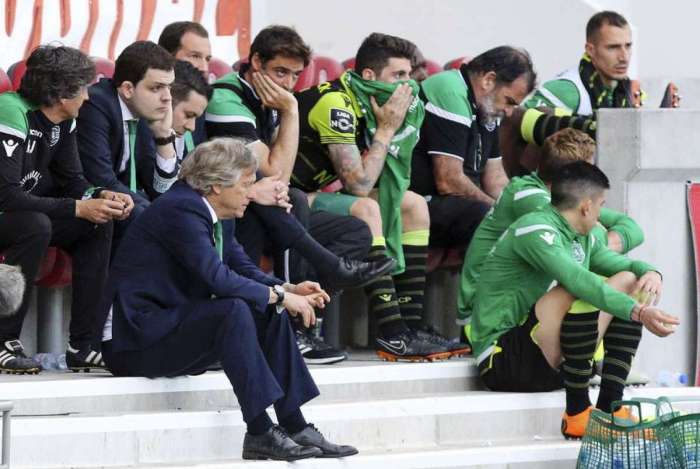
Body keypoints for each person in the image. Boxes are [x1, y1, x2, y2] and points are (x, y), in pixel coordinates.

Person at [100, 138, 358, 461]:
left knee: (268, 309)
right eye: (246, 184)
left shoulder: (218, 211)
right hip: (132, 343)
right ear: (216, 185)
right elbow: (216, 277)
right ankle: (260, 430)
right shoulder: (180, 208)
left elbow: (242, 267)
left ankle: (295, 424)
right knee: (235, 309)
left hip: (168, 328)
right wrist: (278, 296)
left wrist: (287, 289)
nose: (251, 194)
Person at [206, 26, 393, 363]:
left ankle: (308, 317)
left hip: (262, 204)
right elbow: (279, 173)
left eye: (295, 75)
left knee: (355, 231)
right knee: (293, 199)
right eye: (280, 72)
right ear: (256, 62)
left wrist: (286, 110)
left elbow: (278, 175)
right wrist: (291, 110)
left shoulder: (272, 100)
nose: (288, 84)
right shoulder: (226, 96)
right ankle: (293, 328)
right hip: (226, 210)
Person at [471, 161, 679, 439]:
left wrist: (652, 273)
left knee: (629, 279)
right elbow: (579, 280)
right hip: (502, 360)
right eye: (602, 204)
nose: (602, 213)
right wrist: (639, 313)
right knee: (578, 287)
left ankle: (610, 408)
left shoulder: (584, 237)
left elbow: (620, 265)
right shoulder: (535, 229)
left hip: (542, 360)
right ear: (586, 206)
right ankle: (577, 411)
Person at [292, 32, 464, 361]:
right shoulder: (337, 103)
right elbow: (358, 184)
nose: (407, 87)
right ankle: (393, 334)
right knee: (367, 206)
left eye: (409, 76)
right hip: (290, 198)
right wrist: (386, 130)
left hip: (313, 196)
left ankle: (410, 327)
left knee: (412, 205)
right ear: (369, 76)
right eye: (398, 76)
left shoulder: (367, 100)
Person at [0, 45, 133, 373]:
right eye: (84, 88)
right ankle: (4, 340)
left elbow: (73, 180)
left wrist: (101, 195)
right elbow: (6, 196)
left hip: (24, 215)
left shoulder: (64, 121)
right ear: (61, 93)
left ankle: (83, 344)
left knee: (99, 222)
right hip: (10, 212)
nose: (88, 97)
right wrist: (77, 207)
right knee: (36, 224)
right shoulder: (11, 109)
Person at [457, 128, 644, 327]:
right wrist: (598, 240)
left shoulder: (563, 199)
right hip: (484, 312)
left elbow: (632, 228)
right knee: (580, 285)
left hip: (517, 307)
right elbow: (593, 239)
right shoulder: (528, 197)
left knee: (631, 282)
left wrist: (602, 241)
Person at [410, 46, 535, 252]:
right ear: (488, 80)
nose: (510, 112)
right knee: (491, 218)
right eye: (509, 101)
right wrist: (500, 211)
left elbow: (495, 180)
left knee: (531, 220)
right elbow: (448, 181)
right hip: (418, 203)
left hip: (450, 204)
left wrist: (524, 207)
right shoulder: (450, 90)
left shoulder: (488, 107)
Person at [76, 41, 176, 243]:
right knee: (153, 219)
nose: (167, 98)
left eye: (169, 87)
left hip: (124, 203)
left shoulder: (143, 110)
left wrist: (164, 137)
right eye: (157, 88)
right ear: (128, 89)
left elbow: (159, 190)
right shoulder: (96, 105)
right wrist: (162, 212)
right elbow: (100, 178)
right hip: (88, 201)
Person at [523, 11, 634, 115]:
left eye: (628, 46)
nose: (624, 57)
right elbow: (516, 122)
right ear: (590, 50)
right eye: (613, 47)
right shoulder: (566, 90)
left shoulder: (629, 92)